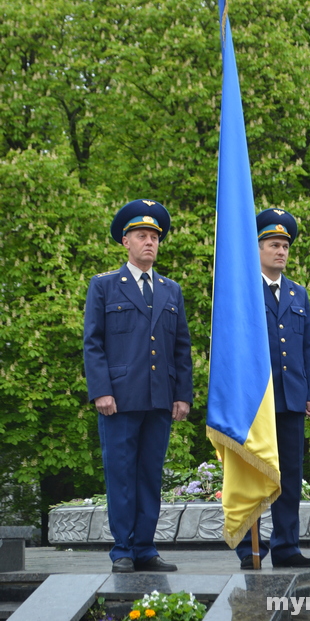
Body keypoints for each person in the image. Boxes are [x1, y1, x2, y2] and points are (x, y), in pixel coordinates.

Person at [84, 199, 193, 573]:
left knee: (150, 474)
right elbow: (93, 342)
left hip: (159, 398)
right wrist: (101, 389)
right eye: (141, 236)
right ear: (125, 243)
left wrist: (182, 395)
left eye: (154, 237)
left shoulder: (170, 290)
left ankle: (145, 547)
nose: (149, 242)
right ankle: (123, 549)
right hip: (119, 397)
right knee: (121, 474)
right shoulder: (104, 286)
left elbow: (181, 346)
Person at [236, 208, 310, 569]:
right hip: (256, 400)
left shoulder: (298, 294)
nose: (281, 251)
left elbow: (308, 346)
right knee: (252, 472)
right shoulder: (241, 289)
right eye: (273, 244)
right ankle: (250, 549)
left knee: (289, 475)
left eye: (285, 245)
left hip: (290, 397)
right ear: (257, 249)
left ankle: (287, 547)